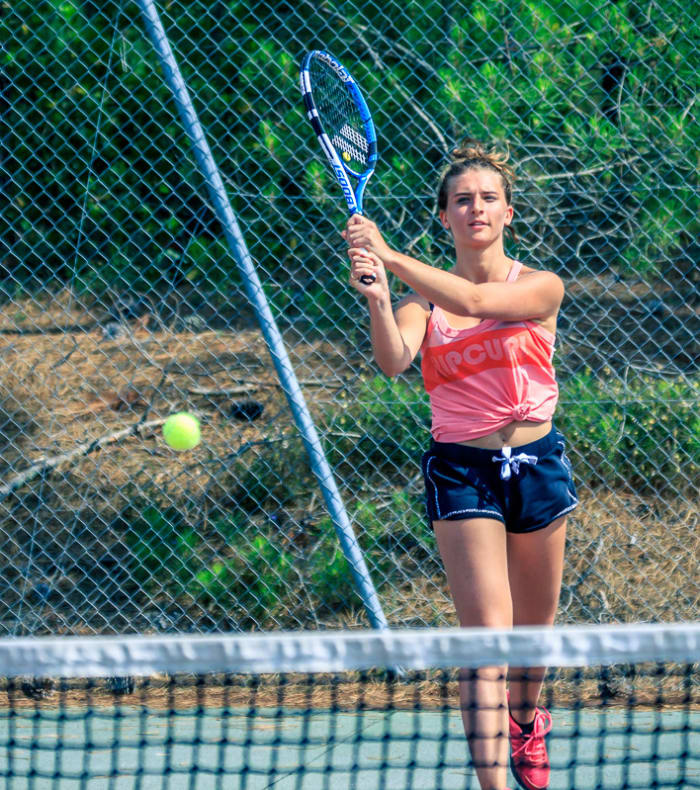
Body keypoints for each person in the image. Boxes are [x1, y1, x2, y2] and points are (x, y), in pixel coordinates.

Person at [342, 141, 579, 790]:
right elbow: (393, 362)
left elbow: (475, 305)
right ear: (444, 217)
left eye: (488, 198)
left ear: (509, 213)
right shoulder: (423, 302)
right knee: (484, 643)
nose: (476, 208)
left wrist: (391, 253)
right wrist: (380, 296)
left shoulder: (540, 286)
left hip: (537, 466)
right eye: (462, 200)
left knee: (531, 640)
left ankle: (527, 721)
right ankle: (492, 785)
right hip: (462, 473)